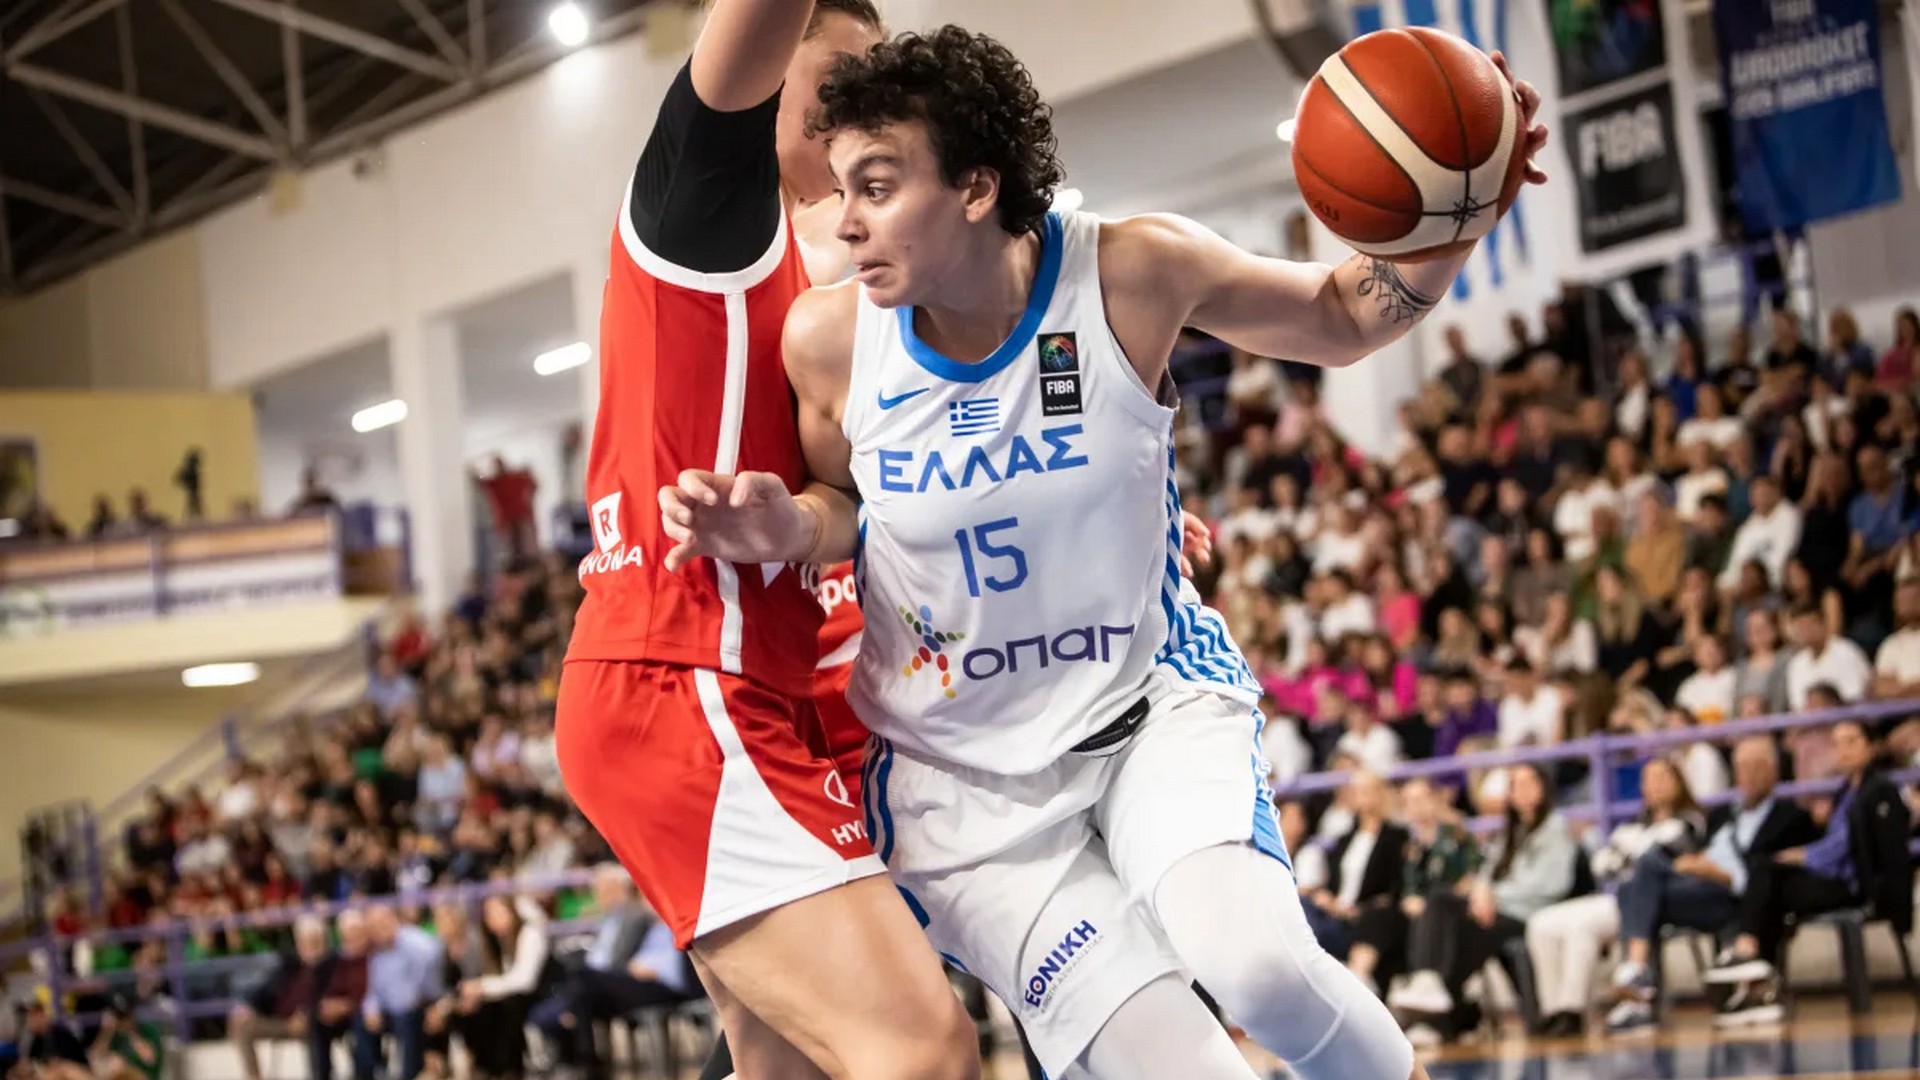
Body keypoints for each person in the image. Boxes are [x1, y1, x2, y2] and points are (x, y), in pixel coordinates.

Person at [659, 24, 1546, 1080]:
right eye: (842, 186)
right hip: (961, 789)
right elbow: (847, 505)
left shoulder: (1131, 271)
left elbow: (1341, 315)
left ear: (977, 186)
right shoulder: (830, 339)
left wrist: (1455, 214)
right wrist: (788, 528)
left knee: (1258, 966)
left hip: (1145, 707)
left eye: (878, 187)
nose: (844, 220)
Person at [551, 2, 980, 1077]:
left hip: (758, 683)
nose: (858, 106)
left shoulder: (809, 287)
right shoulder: (703, 206)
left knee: (788, 1063)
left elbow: (842, 513)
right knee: (923, 1052)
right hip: (684, 677)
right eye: (838, 73)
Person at [1702, 720, 1913, 1022]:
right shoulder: (1845, 792)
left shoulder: (1879, 790)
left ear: (1871, 746)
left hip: (1855, 886)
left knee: (1768, 874)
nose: (1844, 750)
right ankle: (1757, 985)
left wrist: (1804, 855)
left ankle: (1748, 957)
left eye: (1852, 741)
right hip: (1836, 877)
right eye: (1838, 743)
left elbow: (1847, 848)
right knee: (1769, 886)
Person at [1603, 736, 1816, 1031]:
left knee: (1648, 866)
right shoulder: (1722, 815)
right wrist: (1697, 864)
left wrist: (1714, 871)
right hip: (1699, 889)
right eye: (1742, 767)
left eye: (1757, 766)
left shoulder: (1792, 817)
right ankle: (1638, 992)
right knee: (1633, 887)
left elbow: (1769, 874)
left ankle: (1638, 977)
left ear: (1773, 770)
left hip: (1736, 894)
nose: (1749, 774)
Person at [1388, 765, 1578, 1043]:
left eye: (1528, 783)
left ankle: (1431, 1004)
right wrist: (1482, 892)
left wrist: (1492, 895)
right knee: (1449, 928)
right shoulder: (1511, 831)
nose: (1521, 791)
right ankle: (1432, 1004)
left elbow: (1552, 884)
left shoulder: (1555, 828)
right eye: (1515, 785)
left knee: (1442, 905)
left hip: (1527, 914)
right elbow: (1487, 872)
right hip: (1496, 910)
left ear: (1544, 787)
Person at [1522, 758, 1704, 1037]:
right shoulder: (1633, 826)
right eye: (1649, 779)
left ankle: (1571, 1010)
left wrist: (1625, 856)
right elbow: (1602, 864)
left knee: (1581, 927)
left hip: (1646, 903)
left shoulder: (1689, 822)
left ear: (1679, 782)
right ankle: (1552, 1010)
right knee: (1540, 923)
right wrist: (1626, 857)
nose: (1655, 785)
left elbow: (1656, 859)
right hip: (1615, 896)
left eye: (1663, 777)